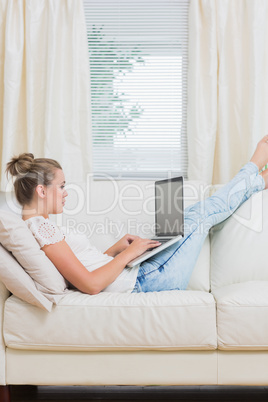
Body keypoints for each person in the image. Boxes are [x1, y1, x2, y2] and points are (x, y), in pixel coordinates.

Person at [5, 136, 268, 295]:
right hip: (148, 280)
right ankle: (255, 171)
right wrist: (130, 255)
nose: (65, 192)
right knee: (200, 215)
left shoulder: (39, 227)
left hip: (141, 274)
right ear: (41, 190)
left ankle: (257, 176)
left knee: (190, 213)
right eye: (61, 186)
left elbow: (79, 269)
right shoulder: (42, 229)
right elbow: (90, 285)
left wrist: (115, 250)